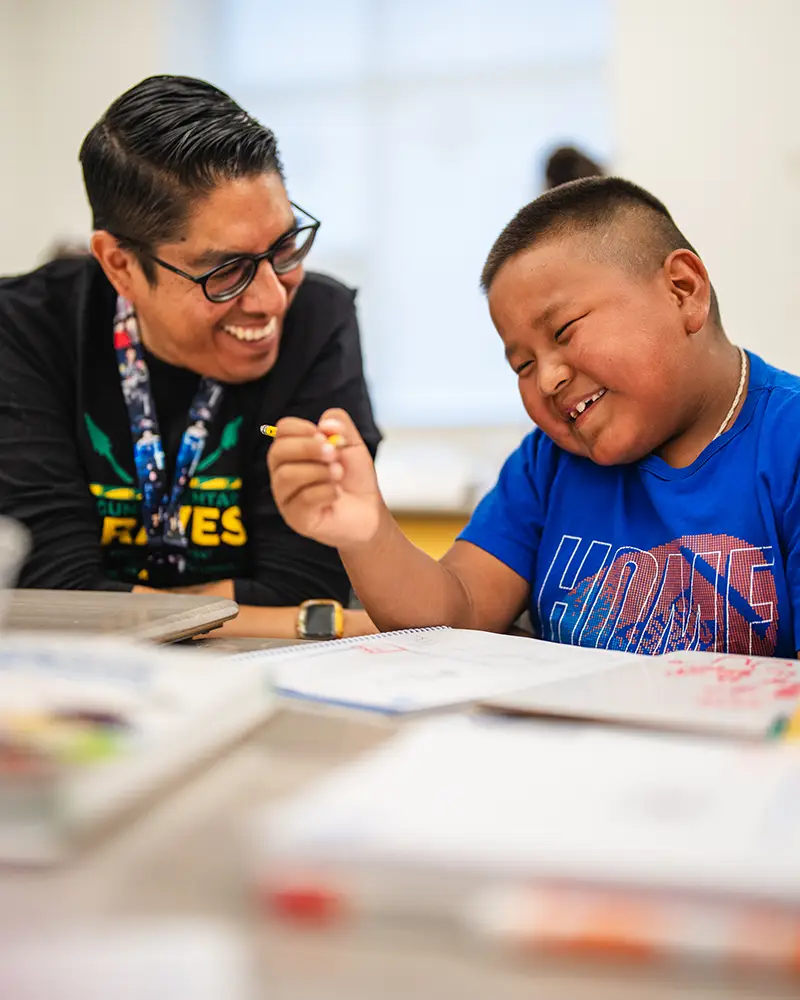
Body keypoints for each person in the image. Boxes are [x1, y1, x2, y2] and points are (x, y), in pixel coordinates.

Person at [268, 176, 800, 658]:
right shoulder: (547, 463)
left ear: (683, 290)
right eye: (522, 364)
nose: (546, 380)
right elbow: (456, 613)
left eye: (564, 331)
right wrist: (366, 533)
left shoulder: (787, 442)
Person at [0, 75, 380, 639]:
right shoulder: (26, 329)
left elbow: (303, 580)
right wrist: (268, 616)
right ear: (120, 265)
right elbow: (53, 589)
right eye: (225, 272)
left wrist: (120, 603)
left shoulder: (318, 319)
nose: (273, 298)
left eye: (284, 246)